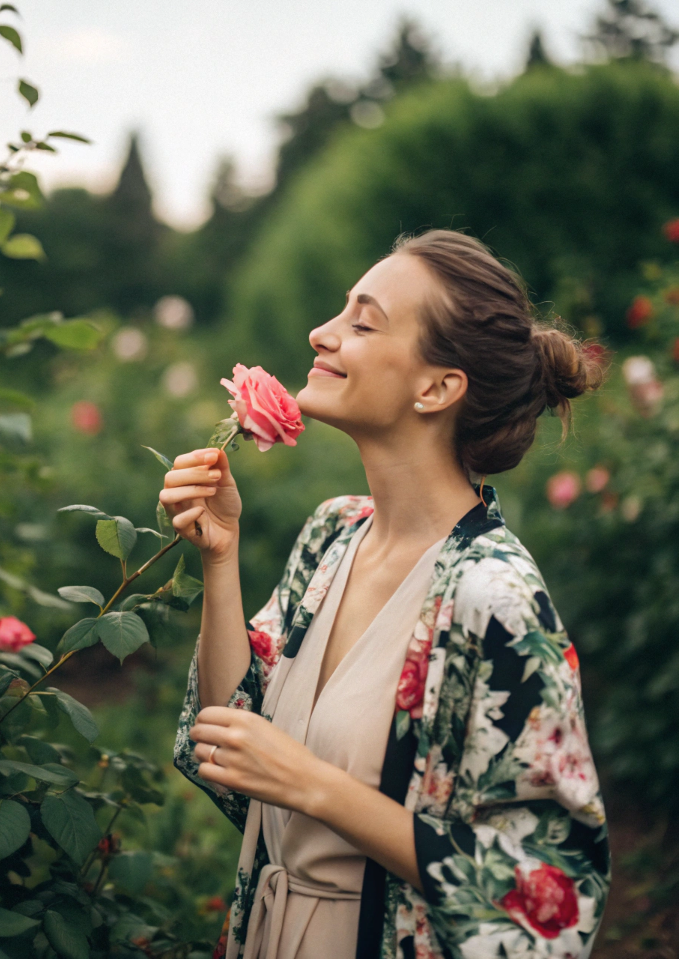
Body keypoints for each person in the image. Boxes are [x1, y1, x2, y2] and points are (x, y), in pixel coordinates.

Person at [165, 230, 610, 959]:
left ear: (436, 387)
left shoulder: (493, 595)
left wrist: (315, 785)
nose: (321, 332)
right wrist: (221, 557)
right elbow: (227, 743)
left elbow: (553, 891)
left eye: (361, 321)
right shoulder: (332, 533)